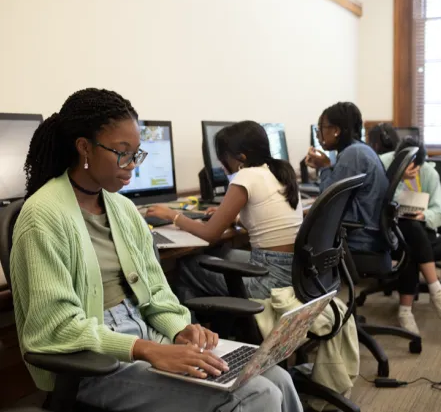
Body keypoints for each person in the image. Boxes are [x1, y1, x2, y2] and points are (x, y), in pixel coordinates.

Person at [10, 89, 303, 412]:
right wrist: (145, 349)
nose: (132, 166)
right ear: (84, 148)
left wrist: (179, 328)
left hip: (145, 334)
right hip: (93, 361)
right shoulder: (43, 216)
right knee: (256, 395)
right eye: (122, 153)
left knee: (275, 377)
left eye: (137, 154)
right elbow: (55, 327)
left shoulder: (122, 209)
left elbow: (156, 292)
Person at [147, 120, 303, 301]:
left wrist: (172, 215)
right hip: (294, 271)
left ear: (241, 158)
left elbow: (209, 234)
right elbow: (267, 220)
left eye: (223, 158)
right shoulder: (278, 171)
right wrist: (232, 218)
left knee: (186, 266)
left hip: (269, 282)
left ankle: (199, 327)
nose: (222, 165)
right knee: (221, 254)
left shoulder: (246, 175)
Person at [305, 102, 389, 254]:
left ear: (336, 130)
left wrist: (324, 167)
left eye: (321, 128)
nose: (318, 134)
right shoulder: (359, 150)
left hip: (359, 238)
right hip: (370, 234)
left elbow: (328, 202)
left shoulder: (353, 155)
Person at [380, 137, 441, 334]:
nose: (413, 170)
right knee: (410, 232)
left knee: (412, 238)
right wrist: (398, 176)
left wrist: (424, 215)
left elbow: (439, 207)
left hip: (422, 230)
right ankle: (436, 291)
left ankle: (405, 310)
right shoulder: (384, 164)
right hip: (392, 230)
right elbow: (380, 199)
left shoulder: (429, 173)